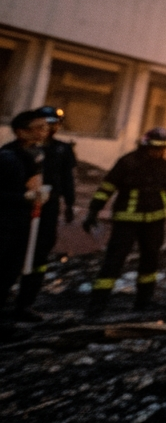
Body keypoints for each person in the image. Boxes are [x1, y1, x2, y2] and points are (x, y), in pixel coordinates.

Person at [83, 128, 166, 316]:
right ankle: (97, 305)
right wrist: (93, 211)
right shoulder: (127, 162)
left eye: (164, 149)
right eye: (156, 148)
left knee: (150, 261)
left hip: (155, 220)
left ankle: (144, 302)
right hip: (127, 220)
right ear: (145, 146)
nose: (160, 152)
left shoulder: (164, 165)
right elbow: (107, 187)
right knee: (114, 260)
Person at [11, 106, 76, 321]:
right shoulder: (13, 152)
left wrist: (69, 204)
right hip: (20, 207)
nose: (48, 129)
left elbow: (67, 178)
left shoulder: (62, 149)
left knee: (39, 255)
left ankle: (25, 303)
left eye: (52, 125)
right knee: (13, 253)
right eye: (44, 125)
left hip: (48, 206)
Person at [1, 111, 49, 328]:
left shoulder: (34, 154)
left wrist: (39, 195)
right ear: (21, 131)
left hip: (22, 220)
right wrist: (23, 197)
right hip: (5, 221)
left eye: (45, 127)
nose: (43, 132)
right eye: (38, 128)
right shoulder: (7, 157)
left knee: (12, 269)